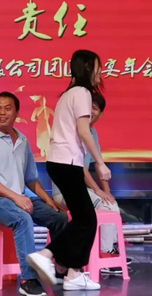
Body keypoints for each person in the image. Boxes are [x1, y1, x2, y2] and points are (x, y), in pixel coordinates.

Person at [27, 49, 111, 291]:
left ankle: (72, 273)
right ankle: (46, 255)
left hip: (59, 161)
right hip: (67, 162)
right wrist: (100, 163)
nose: (101, 72)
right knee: (86, 220)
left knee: (85, 220)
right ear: (88, 68)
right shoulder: (83, 93)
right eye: (98, 67)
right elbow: (84, 131)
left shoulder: (68, 94)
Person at [0, 91, 68, 296]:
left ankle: (61, 269)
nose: (2, 113)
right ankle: (28, 279)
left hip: (17, 198)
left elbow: (30, 178)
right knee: (22, 218)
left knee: (59, 217)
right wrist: (16, 197)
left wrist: (48, 200)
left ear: (16, 113)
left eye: (7, 109)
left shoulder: (22, 140)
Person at [52, 92, 130, 275]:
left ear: (101, 114)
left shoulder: (92, 133)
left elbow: (98, 164)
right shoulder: (73, 131)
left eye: (94, 108)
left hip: (80, 189)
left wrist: (107, 191)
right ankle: (106, 254)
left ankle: (104, 253)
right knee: (107, 206)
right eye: (87, 108)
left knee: (110, 203)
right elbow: (79, 167)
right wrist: (97, 190)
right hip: (64, 192)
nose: (90, 112)